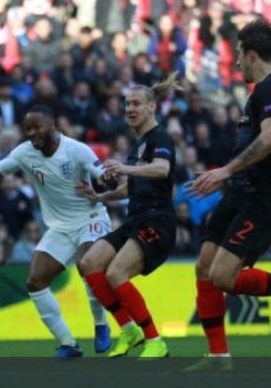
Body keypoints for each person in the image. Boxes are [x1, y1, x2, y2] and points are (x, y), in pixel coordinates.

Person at [186, 20, 271, 368]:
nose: (236, 63)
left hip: (260, 198)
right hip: (239, 192)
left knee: (223, 277)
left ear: (252, 54)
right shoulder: (260, 92)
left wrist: (225, 170)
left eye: (239, 56)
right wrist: (226, 177)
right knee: (204, 267)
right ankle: (217, 355)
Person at [0, 105, 113, 359]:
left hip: (90, 219)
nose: (32, 133)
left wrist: (105, 182)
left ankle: (101, 324)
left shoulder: (76, 149)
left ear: (53, 126)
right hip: (59, 227)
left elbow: (103, 176)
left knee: (87, 266)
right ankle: (68, 343)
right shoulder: (24, 153)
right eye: (28, 129)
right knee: (35, 282)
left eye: (37, 127)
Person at [78, 73, 182, 359]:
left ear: (152, 107)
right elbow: (130, 187)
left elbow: (161, 169)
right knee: (89, 264)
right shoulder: (138, 145)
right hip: (136, 219)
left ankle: (155, 340)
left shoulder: (160, 138)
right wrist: (101, 196)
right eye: (127, 104)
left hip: (157, 220)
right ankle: (128, 329)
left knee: (116, 273)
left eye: (136, 103)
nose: (130, 109)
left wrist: (125, 168)